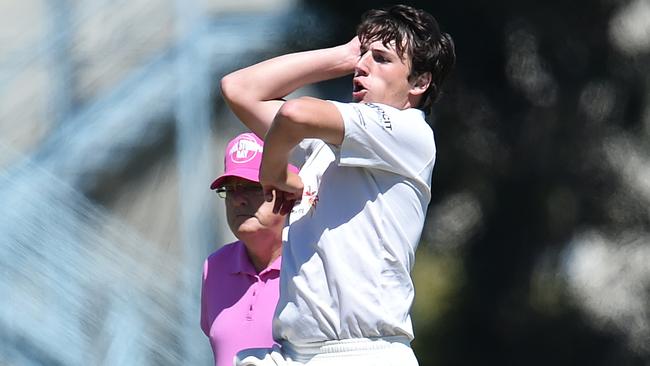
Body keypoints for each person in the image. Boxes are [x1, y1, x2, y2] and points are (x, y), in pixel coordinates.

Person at [220, 4, 456, 365]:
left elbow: (294, 114)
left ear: (419, 82)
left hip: (363, 352)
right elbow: (239, 89)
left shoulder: (409, 132)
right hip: (297, 353)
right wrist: (342, 55)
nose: (362, 66)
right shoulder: (324, 146)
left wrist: (273, 172)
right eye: (363, 55)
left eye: (381, 58)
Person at [200, 132, 299, 366]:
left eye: (252, 187)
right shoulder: (214, 267)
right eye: (231, 189)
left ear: (289, 190)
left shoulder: (312, 261)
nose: (237, 200)